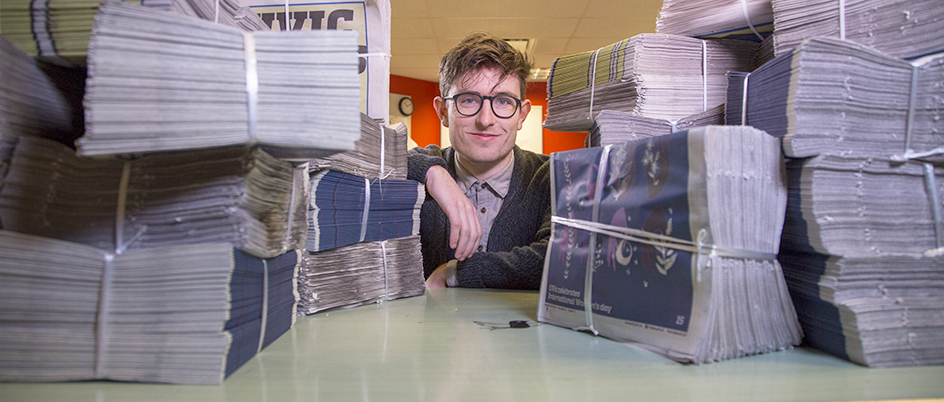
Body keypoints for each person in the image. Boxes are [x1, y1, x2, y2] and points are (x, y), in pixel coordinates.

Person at [407, 32, 551, 290]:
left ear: (522, 115)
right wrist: (433, 174)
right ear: (443, 112)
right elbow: (359, 159)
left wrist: (456, 273)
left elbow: (558, 257)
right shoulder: (427, 166)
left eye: (503, 101)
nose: (486, 119)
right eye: (469, 100)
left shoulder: (552, 176)